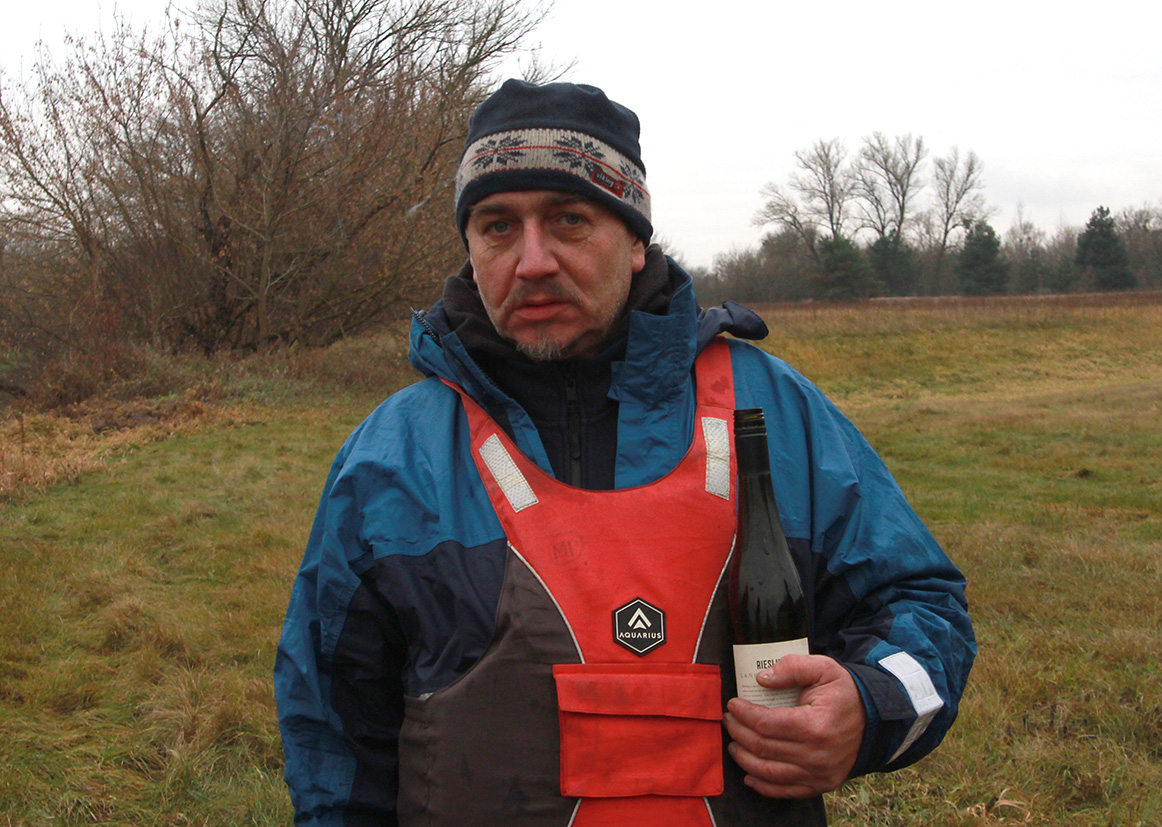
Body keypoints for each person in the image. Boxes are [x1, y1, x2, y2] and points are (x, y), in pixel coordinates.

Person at [275, 79, 975, 827]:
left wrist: (868, 706)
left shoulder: (772, 415)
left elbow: (923, 606)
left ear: (637, 240)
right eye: (498, 226)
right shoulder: (391, 459)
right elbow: (331, 729)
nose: (532, 260)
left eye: (569, 220)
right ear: (471, 250)